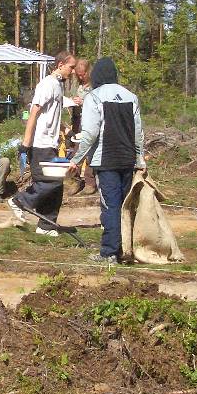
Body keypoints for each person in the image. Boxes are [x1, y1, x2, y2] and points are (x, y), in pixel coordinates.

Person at [66, 57, 145, 263]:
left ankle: (110, 252)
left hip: (106, 160)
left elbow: (90, 133)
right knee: (124, 205)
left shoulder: (94, 97)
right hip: (127, 160)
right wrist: (140, 160)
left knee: (110, 206)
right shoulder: (131, 97)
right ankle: (126, 248)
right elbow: (138, 133)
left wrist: (76, 159)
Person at [8, 50, 76, 236]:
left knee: (57, 186)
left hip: (51, 144)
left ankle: (46, 226)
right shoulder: (47, 84)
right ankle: (20, 201)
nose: (73, 71)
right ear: (60, 65)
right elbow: (34, 113)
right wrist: (26, 144)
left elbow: (51, 115)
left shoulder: (58, 86)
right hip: (40, 144)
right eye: (71, 67)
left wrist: (67, 131)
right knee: (51, 182)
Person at [67, 58, 96, 196]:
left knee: (90, 152)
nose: (81, 77)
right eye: (78, 75)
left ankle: (90, 182)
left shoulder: (95, 85)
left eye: (83, 74)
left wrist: (84, 102)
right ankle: (76, 180)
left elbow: (97, 103)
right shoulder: (77, 85)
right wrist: (72, 101)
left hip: (91, 122)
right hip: (78, 120)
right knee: (76, 150)